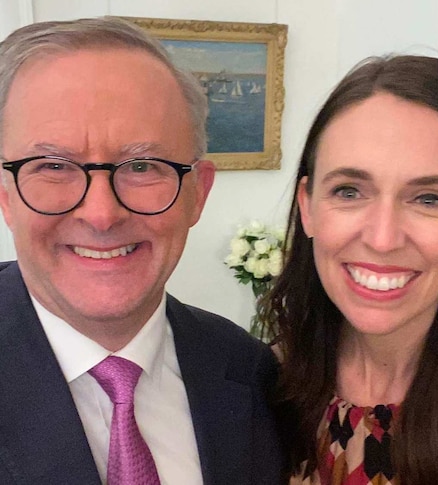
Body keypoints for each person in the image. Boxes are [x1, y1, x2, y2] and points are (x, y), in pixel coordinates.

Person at [0, 17, 282, 484]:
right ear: (6, 194)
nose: (101, 213)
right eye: (53, 165)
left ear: (198, 193)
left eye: (141, 165)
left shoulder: (250, 372)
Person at [260, 55, 438, 485]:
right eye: (349, 190)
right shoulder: (259, 386)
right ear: (307, 207)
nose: (383, 239)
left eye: (429, 198)